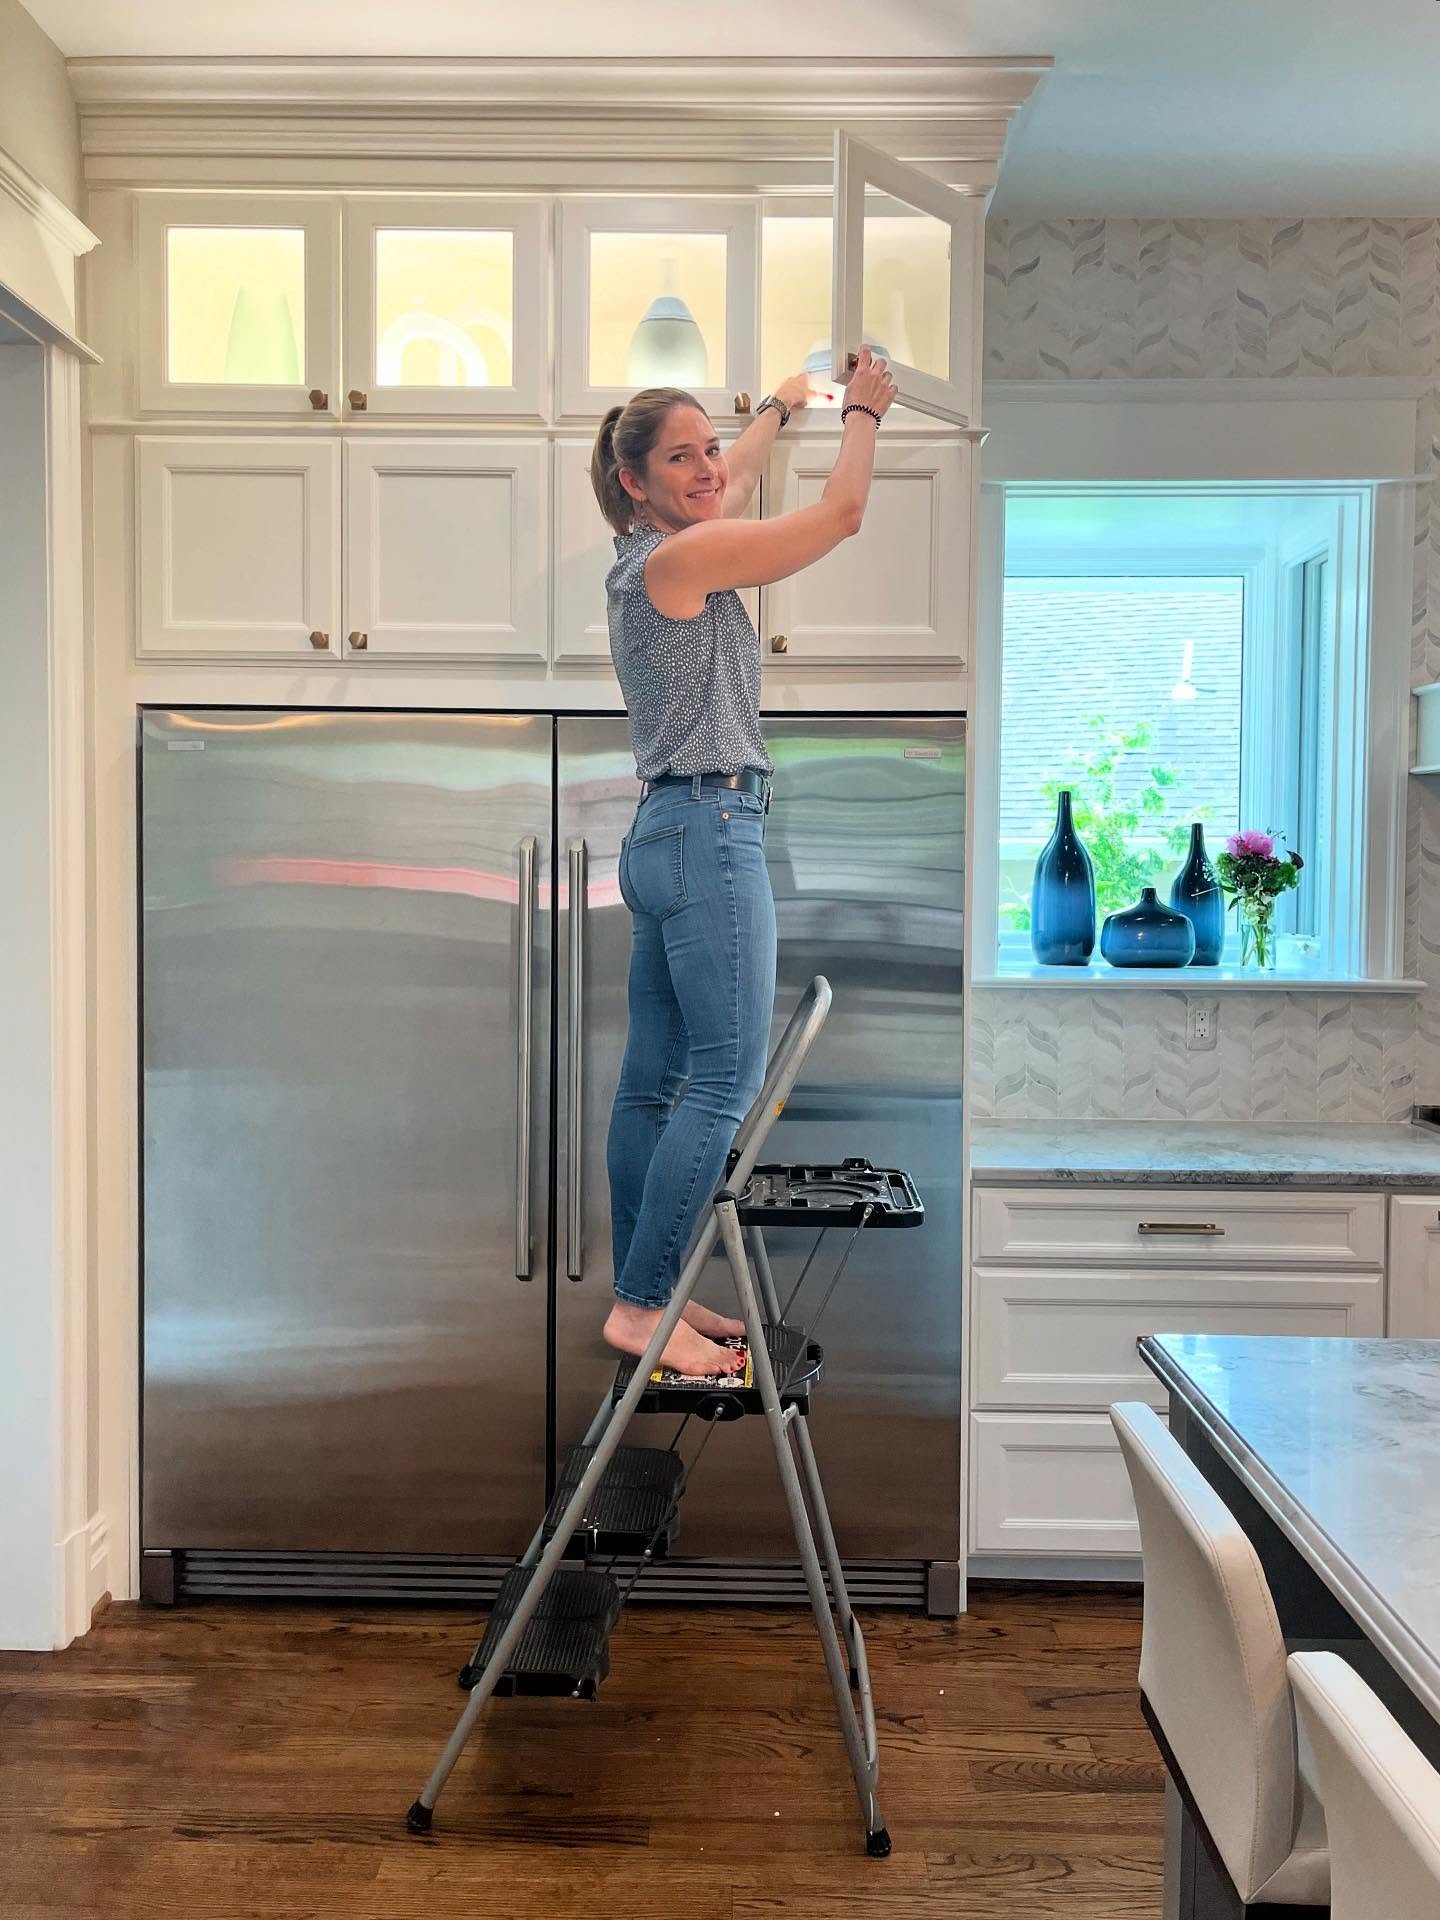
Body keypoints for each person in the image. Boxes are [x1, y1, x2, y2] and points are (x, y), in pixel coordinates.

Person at [590, 348, 899, 1377]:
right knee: (723, 1084)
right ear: (634, 482)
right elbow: (836, 518)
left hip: (660, 836)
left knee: (653, 1088)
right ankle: (643, 1306)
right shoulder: (682, 562)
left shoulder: (651, 558)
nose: (707, 467)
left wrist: (776, 407)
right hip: (711, 830)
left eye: (708, 447)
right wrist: (861, 413)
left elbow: (738, 482)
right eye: (680, 458)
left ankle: (656, 1296)